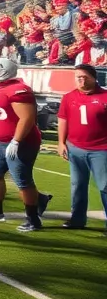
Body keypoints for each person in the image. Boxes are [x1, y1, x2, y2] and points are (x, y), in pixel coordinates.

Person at [0, 57, 52, 232]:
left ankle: (33, 219)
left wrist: (16, 141)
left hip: (21, 142)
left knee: (22, 181)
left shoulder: (19, 90)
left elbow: (27, 118)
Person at [56, 64, 107, 232]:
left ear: (94, 77)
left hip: (101, 149)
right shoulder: (69, 97)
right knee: (77, 184)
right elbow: (63, 120)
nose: (81, 80)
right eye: (78, 77)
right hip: (75, 148)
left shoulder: (104, 96)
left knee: (104, 186)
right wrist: (61, 142)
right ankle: (77, 219)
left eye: (85, 77)